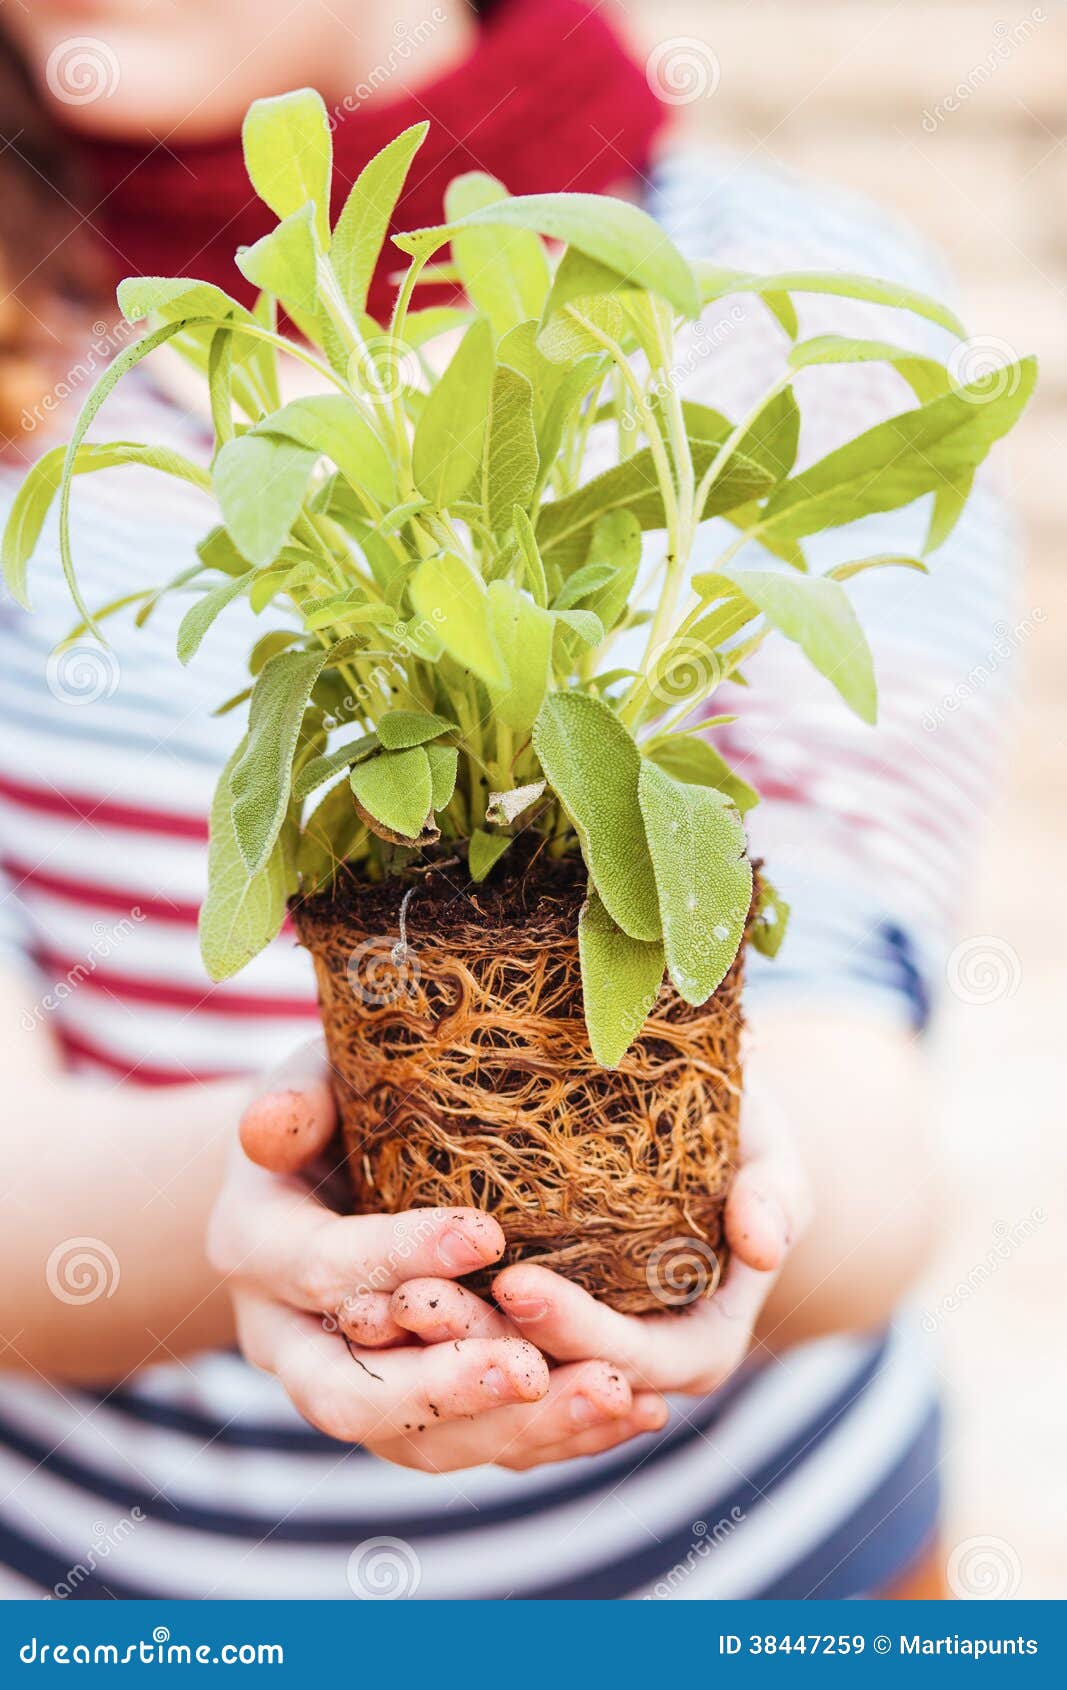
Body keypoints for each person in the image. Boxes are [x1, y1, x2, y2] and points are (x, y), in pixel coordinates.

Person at [0, 0, 1016, 1600]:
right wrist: (297, 1198)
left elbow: (868, 1112)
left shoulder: (771, 302)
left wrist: (687, 1204)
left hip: (764, 1579)